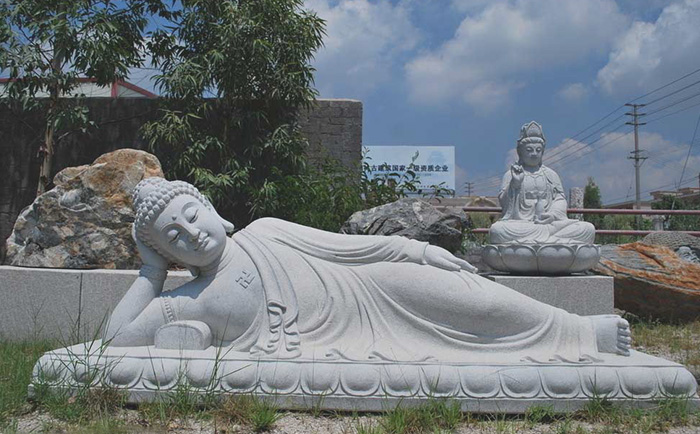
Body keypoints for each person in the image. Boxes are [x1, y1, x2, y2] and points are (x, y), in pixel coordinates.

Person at [103, 177, 631, 362]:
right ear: (170, 254)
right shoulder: (190, 300)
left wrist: (417, 252)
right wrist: (150, 273)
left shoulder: (265, 230)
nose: (192, 234)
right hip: (334, 340)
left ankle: (578, 331)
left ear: (210, 208)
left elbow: (348, 249)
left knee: (476, 299)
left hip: (370, 289)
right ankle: (579, 336)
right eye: (173, 238)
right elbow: (115, 340)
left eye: (191, 216)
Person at [489, 121, 595, 245]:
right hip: (522, 225)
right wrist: (515, 184)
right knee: (498, 230)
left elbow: (560, 199)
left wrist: (553, 215)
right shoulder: (511, 174)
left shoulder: (551, 175)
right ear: (520, 152)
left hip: (550, 224)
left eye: (538, 150)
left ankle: (536, 243)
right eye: (529, 150)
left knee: (587, 229)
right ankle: (556, 244)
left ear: (543, 151)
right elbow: (504, 203)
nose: (534, 154)